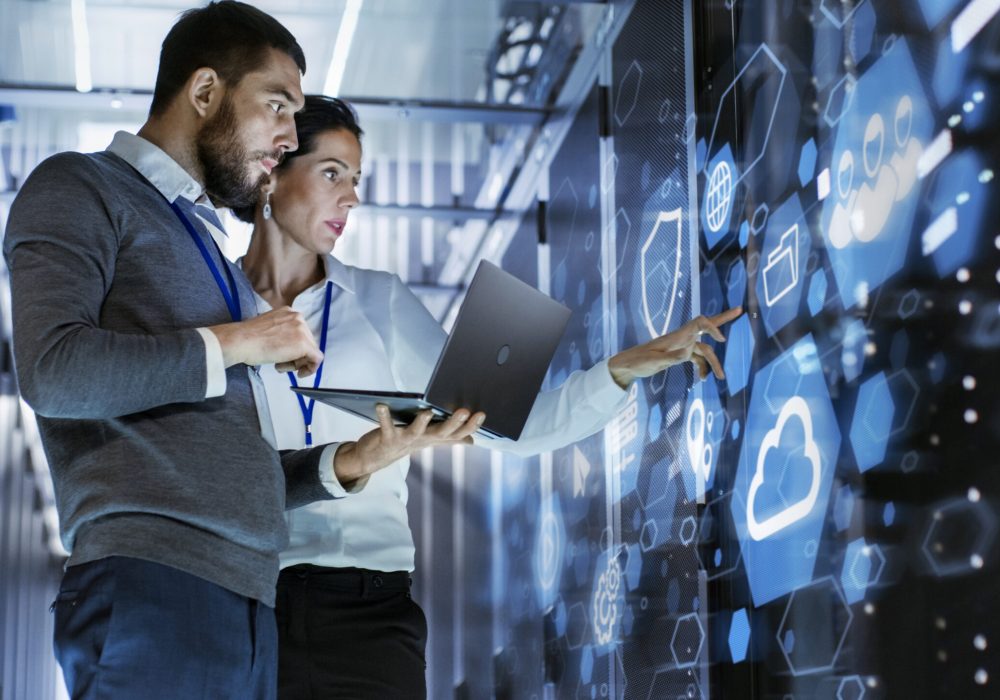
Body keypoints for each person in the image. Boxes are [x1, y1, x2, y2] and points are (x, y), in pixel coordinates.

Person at [2, 5, 479, 699]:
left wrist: (353, 462)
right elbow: (53, 371)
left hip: (248, 605)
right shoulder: (80, 186)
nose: (288, 137)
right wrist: (242, 340)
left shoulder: (211, 258)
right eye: (277, 106)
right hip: (153, 585)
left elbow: (232, 466)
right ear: (204, 93)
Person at [236, 95, 743, 699]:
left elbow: (513, 427)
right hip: (246, 603)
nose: (351, 197)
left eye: (356, 180)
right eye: (331, 173)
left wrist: (622, 369)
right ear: (273, 172)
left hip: (367, 611)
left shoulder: (381, 302)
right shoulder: (214, 308)